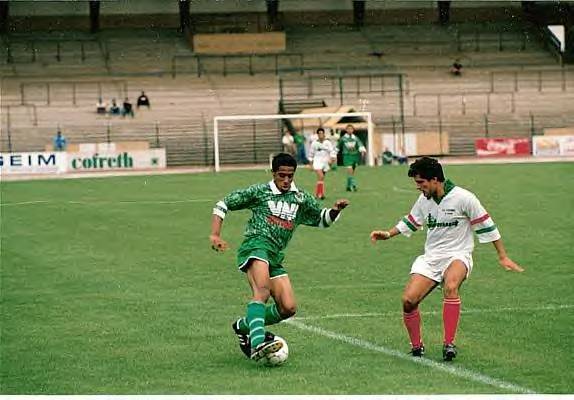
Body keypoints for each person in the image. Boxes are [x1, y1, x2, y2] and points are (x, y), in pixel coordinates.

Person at [370, 157, 523, 361]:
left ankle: (449, 344)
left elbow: (487, 225)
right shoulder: (424, 200)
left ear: (435, 180)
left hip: (458, 255)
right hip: (432, 257)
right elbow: (412, 221)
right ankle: (417, 347)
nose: (418, 188)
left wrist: (503, 256)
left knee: (451, 286)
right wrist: (388, 234)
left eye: (420, 183)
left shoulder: (464, 198)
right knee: (408, 301)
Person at [210, 153, 350, 362]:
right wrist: (215, 234)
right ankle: (257, 342)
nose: (285, 180)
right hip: (255, 246)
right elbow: (223, 204)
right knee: (262, 290)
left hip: (275, 255)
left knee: (288, 307)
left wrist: (336, 211)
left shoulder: (300, 198)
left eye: (290, 176)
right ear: (273, 173)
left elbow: (322, 220)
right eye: (281, 175)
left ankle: (243, 326)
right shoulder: (260, 192)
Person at [307, 127, 337, 200]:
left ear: (324, 134)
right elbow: (311, 154)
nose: (321, 135)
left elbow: (332, 152)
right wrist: (311, 164)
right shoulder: (314, 143)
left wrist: (332, 159)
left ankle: (319, 194)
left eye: (322, 133)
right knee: (320, 176)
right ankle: (319, 194)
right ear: (317, 135)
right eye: (319, 134)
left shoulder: (328, 143)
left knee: (321, 178)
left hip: (325, 162)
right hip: (317, 162)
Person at [338, 124, 366, 192]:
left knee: (352, 172)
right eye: (348, 129)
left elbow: (360, 144)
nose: (350, 130)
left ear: (353, 130)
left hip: (354, 156)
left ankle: (348, 186)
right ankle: (353, 185)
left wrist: (362, 151)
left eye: (351, 129)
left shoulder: (355, 138)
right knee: (350, 171)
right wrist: (333, 154)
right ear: (346, 130)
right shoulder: (343, 138)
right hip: (347, 156)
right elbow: (338, 146)